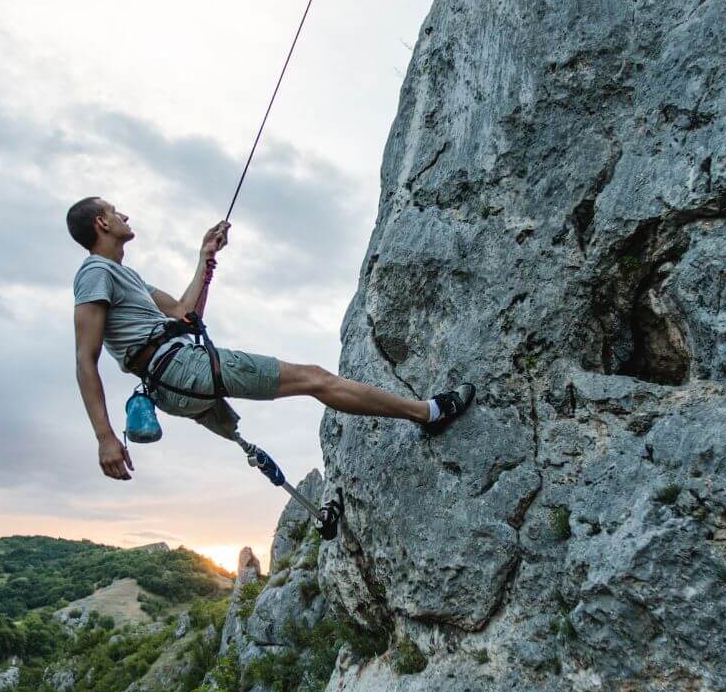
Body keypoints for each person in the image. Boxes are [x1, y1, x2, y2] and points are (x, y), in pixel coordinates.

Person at [69, 197, 475, 480]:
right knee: (315, 378)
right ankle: (428, 413)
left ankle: (423, 412)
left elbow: (183, 313)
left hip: (172, 379)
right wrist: (105, 438)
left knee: (314, 380)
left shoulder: (129, 277)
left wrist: (205, 257)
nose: (124, 214)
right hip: (180, 369)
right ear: (101, 223)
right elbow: (85, 359)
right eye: (113, 210)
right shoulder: (94, 273)